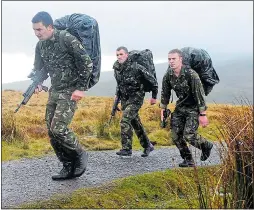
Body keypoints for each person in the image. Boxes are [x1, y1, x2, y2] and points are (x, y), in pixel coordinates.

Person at [30, 11, 92, 180]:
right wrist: (37, 83)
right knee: (51, 132)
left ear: (50, 27)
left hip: (70, 91)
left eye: (39, 29)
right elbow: (39, 69)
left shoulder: (66, 39)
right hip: (55, 91)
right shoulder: (40, 46)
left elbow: (87, 63)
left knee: (59, 128)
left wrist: (80, 88)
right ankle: (67, 166)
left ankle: (80, 154)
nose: (36, 33)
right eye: (34, 30)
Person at [160, 49, 213, 167]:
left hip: (193, 107)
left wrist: (203, 115)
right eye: (169, 59)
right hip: (180, 107)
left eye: (174, 59)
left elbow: (199, 95)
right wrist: (163, 109)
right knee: (175, 136)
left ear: (180, 59)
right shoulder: (168, 75)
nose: (171, 61)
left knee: (189, 135)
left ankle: (206, 145)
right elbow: (165, 93)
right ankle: (188, 159)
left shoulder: (191, 74)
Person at [113, 46, 158, 157]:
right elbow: (119, 84)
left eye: (121, 54)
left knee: (125, 120)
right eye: (117, 55)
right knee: (135, 123)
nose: (119, 57)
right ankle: (148, 146)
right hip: (125, 98)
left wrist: (154, 97)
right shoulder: (117, 69)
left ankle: (127, 149)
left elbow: (153, 81)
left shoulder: (136, 67)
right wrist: (116, 98)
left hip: (136, 97)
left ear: (127, 55)